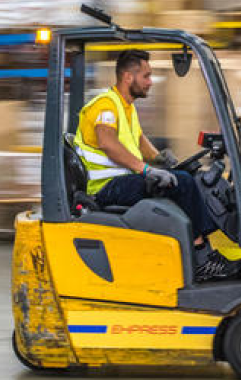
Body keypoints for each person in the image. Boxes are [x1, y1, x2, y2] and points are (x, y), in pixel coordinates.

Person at [73, 49, 240, 282]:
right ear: (129, 77)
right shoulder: (106, 106)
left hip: (122, 182)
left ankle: (203, 252)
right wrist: (147, 170)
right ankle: (203, 259)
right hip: (105, 188)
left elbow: (140, 142)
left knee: (184, 175)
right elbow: (108, 143)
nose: (150, 82)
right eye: (146, 76)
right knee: (181, 182)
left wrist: (161, 159)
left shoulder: (126, 107)